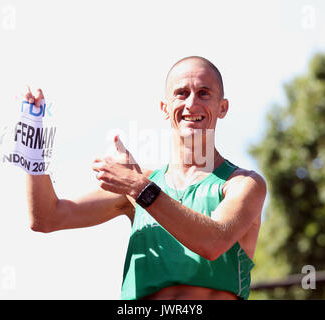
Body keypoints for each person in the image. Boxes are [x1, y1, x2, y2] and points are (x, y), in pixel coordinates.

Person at [25, 56, 267, 300]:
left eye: (204, 93)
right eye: (181, 93)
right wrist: (33, 146)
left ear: (222, 107)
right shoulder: (137, 185)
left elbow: (214, 242)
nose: (192, 104)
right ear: (164, 108)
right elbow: (47, 218)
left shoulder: (243, 184)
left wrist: (138, 186)